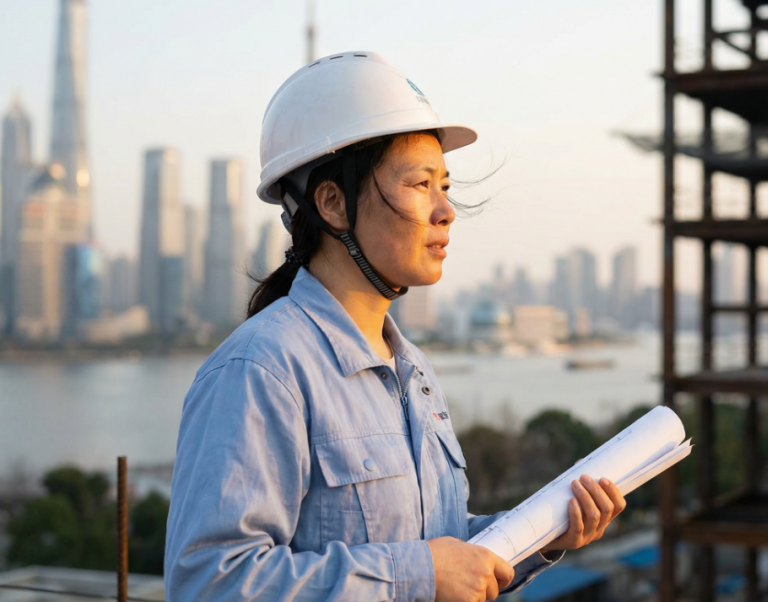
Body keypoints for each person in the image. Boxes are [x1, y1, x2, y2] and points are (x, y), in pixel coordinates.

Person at [164, 52, 626, 601]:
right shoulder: (263, 370)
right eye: (419, 184)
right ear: (332, 203)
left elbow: (439, 545)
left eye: (445, 185)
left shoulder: (414, 371)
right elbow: (210, 582)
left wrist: (549, 532)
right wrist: (419, 576)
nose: (446, 210)